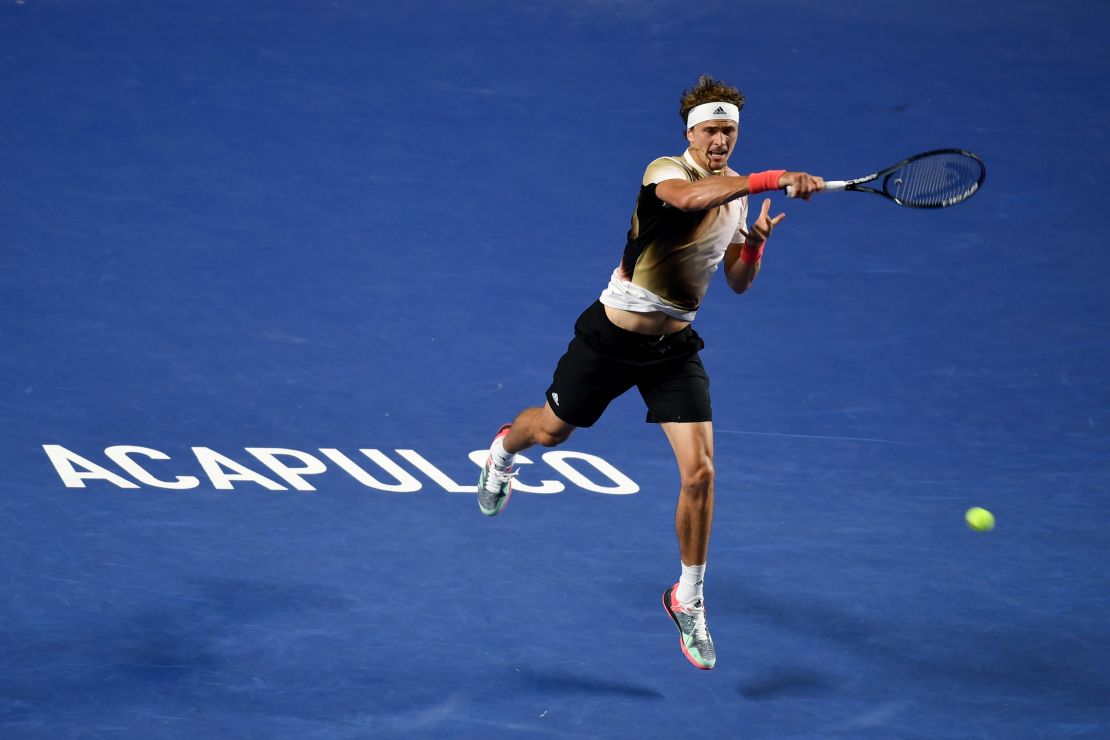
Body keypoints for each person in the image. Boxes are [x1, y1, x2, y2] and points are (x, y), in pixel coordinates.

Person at [476, 74, 824, 670]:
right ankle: (504, 450)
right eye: (713, 130)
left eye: (730, 132)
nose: (721, 140)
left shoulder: (735, 196)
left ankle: (687, 596)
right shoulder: (666, 172)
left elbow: (737, 283)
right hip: (612, 338)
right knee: (552, 432)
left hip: (674, 349)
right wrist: (774, 176)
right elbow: (690, 201)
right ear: (691, 133)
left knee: (702, 473)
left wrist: (755, 245)